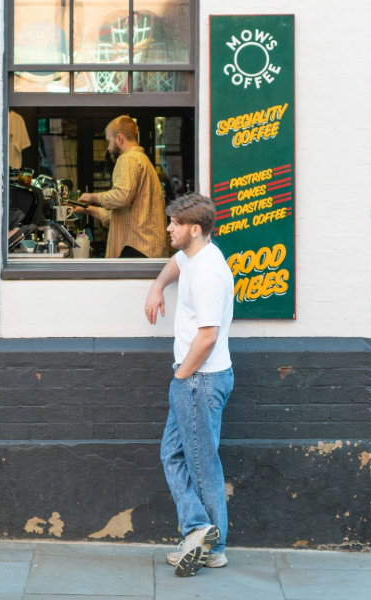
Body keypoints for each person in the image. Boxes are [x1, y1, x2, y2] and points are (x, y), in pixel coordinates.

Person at [141, 193, 235, 577]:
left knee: (201, 464)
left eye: (174, 224)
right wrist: (156, 286)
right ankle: (200, 531)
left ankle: (211, 544)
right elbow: (175, 264)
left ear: (193, 229)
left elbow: (208, 336)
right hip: (194, 377)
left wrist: (181, 378)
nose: (168, 229)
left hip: (199, 378)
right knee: (173, 454)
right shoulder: (194, 256)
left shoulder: (210, 273)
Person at [71, 116, 170, 258]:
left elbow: (121, 197)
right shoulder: (141, 159)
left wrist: (92, 197)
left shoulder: (128, 159)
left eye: (108, 141)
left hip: (137, 249)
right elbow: (120, 216)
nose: (108, 147)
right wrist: (86, 209)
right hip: (144, 248)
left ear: (119, 138)